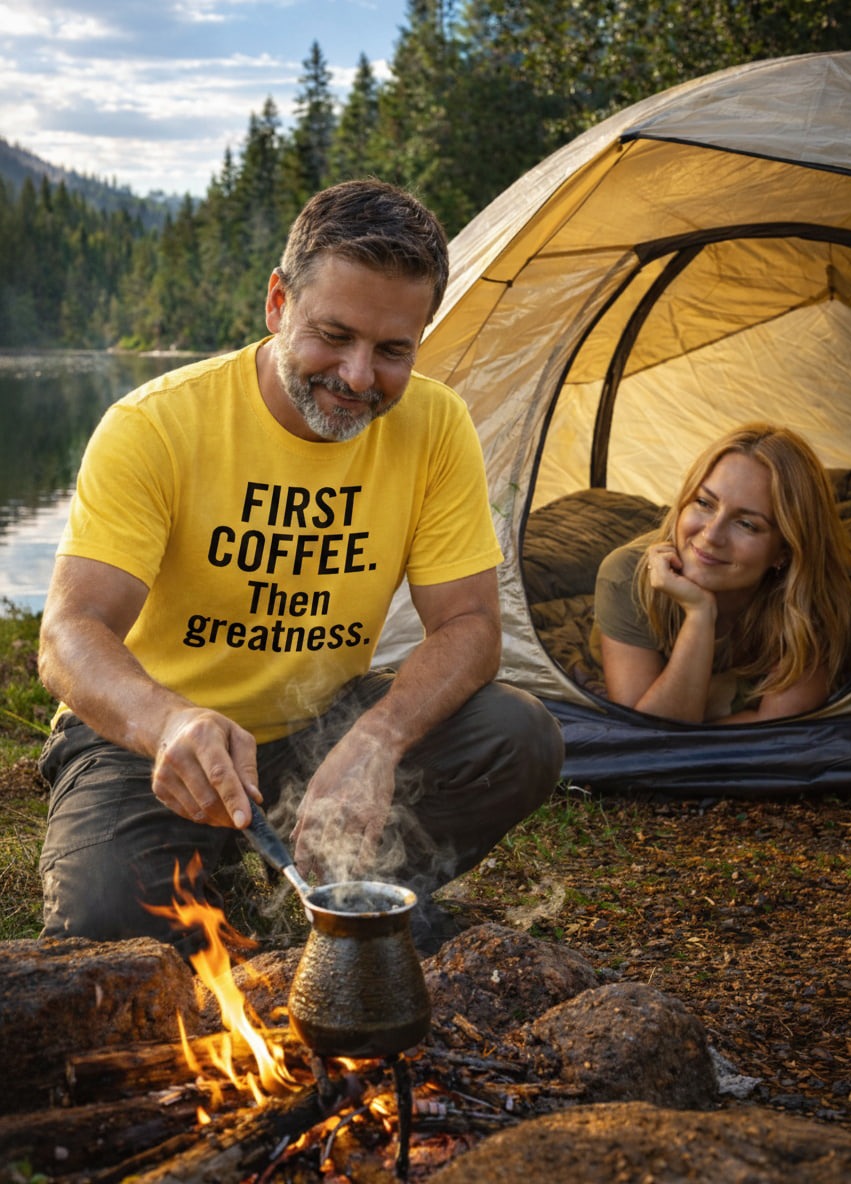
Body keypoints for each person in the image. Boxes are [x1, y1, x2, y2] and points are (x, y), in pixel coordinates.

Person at [37, 179, 564, 956]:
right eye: (334, 335)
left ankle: (333, 894)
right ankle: (215, 871)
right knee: (104, 937)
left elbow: (472, 626)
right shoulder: (156, 424)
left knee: (518, 736)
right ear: (278, 303)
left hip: (320, 726)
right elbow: (69, 634)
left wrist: (378, 742)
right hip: (152, 739)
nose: (358, 377)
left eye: (393, 350)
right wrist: (167, 722)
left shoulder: (435, 425)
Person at [594, 422, 851, 725]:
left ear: (784, 552)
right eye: (704, 503)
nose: (711, 535)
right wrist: (700, 613)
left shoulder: (821, 590)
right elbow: (647, 739)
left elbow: (776, 730)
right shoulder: (626, 577)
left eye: (747, 524)